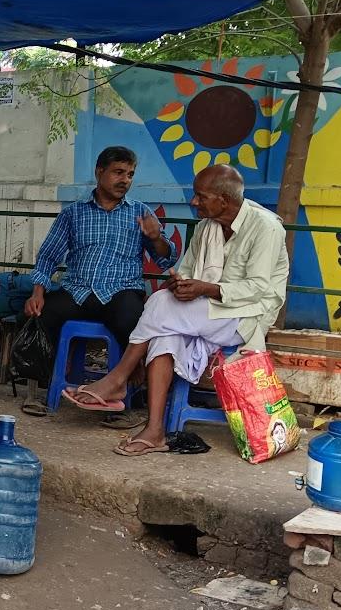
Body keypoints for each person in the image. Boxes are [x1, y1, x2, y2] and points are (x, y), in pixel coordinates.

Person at [65, 164, 290, 456]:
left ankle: (118, 379)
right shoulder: (207, 227)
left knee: (158, 304)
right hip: (207, 312)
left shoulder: (265, 227)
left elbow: (258, 288)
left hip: (246, 315)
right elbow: (185, 271)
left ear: (224, 199)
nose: (193, 202)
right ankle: (155, 430)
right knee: (163, 336)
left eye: (200, 196)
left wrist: (203, 289)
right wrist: (179, 284)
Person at [25, 146, 177, 355]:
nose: (125, 180)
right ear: (99, 172)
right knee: (37, 316)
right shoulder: (73, 213)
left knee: (131, 320)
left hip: (121, 292)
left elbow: (165, 261)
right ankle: (54, 376)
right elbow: (48, 255)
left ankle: (131, 374)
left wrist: (156, 237)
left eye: (130, 174)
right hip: (77, 291)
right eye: (118, 172)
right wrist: (37, 293)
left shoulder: (140, 212)